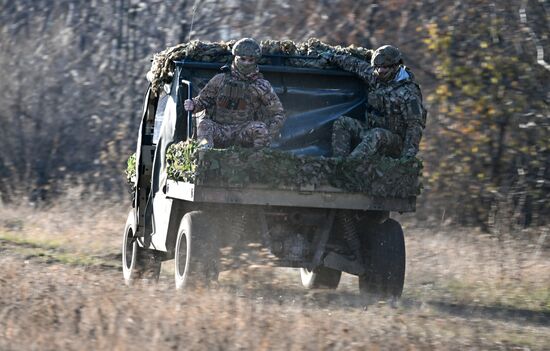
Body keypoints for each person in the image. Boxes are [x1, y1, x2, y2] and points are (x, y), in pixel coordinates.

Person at [325, 45, 427, 159]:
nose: (380, 71)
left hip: (396, 143)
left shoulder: (409, 93)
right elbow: (355, 64)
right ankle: (339, 161)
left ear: (395, 66)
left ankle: (349, 165)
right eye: (377, 67)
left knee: (377, 134)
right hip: (372, 131)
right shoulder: (376, 76)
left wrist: (407, 156)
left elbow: (415, 126)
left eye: (384, 67)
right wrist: (332, 57)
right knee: (343, 122)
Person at [184, 38, 286, 148]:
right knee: (204, 125)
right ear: (235, 58)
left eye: (250, 60)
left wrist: (268, 134)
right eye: (243, 59)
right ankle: (204, 159)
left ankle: (257, 161)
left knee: (260, 128)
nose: (246, 63)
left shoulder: (261, 86)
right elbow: (202, 101)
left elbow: (278, 114)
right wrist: (192, 104)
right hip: (219, 129)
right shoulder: (219, 80)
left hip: (243, 132)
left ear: (256, 61)